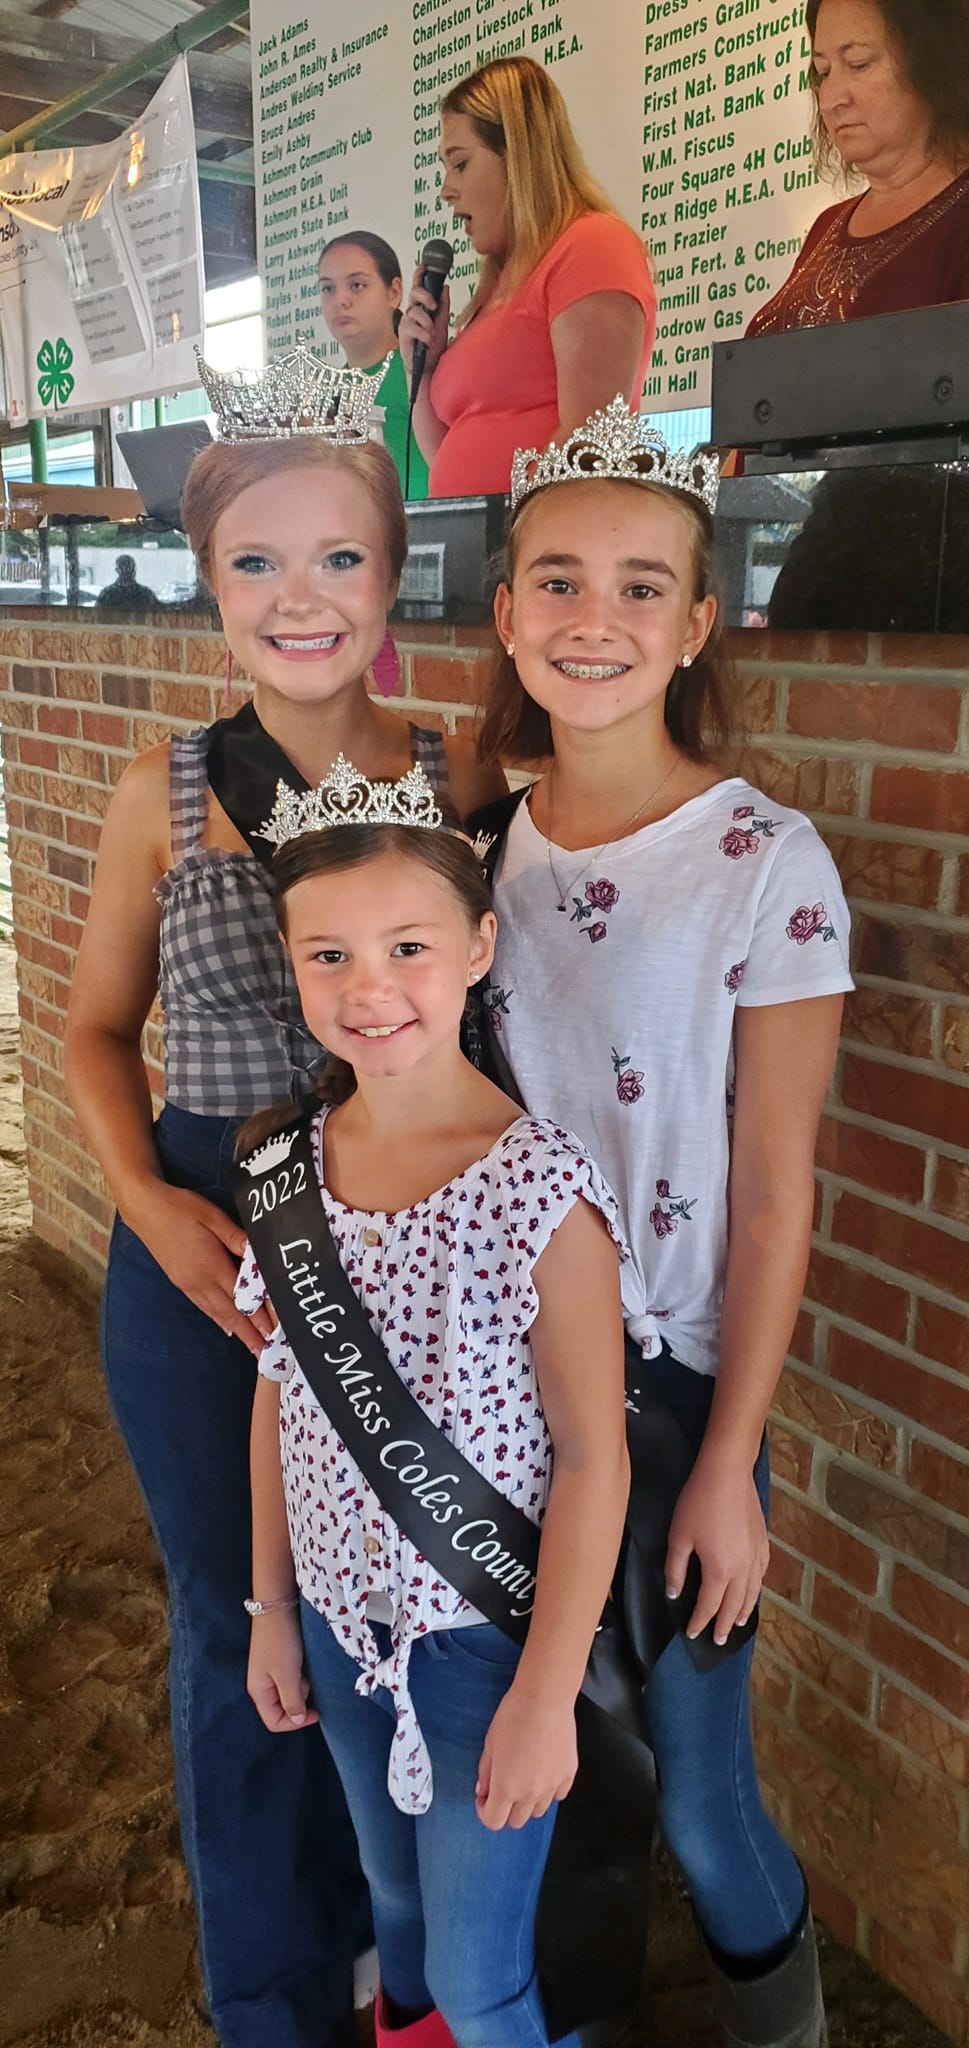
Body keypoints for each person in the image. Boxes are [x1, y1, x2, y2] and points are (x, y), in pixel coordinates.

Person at [63, 351, 505, 2048]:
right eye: (255, 561)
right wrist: (146, 1201)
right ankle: (268, 1992)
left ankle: (411, 1956)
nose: (296, 597)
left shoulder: (464, 779)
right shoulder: (159, 791)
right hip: (200, 1231)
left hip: (396, 1234)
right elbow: (97, 1028)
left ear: (394, 578)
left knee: (394, 1602)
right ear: (208, 581)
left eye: (337, 558)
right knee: (229, 1617)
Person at [466, 400, 854, 2048]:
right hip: (484, 1387)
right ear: (502, 614)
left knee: (693, 1792)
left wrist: (726, 1461)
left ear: (697, 623)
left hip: (667, 1389)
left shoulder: (765, 861)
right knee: (522, 1767)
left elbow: (771, 1186)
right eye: (555, 580)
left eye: (640, 587)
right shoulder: (462, 849)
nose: (593, 619)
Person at [235, 768, 630, 2048]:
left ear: (476, 945)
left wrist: (545, 1692)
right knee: (395, 1923)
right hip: (343, 1630)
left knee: (476, 1975)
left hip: (482, 1644)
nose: (371, 986)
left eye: (408, 946)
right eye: (330, 953)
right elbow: (281, 1398)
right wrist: (272, 1608)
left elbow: (592, 1461)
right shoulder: (289, 1170)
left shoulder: (537, 1188)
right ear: (291, 963)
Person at [397, 57, 656, 498]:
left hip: (540, 548)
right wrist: (421, 368)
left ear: (516, 155)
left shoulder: (592, 245)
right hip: (482, 546)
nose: (446, 189)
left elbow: (587, 442)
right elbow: (443, 456)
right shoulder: (497, 287)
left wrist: (515, 545)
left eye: (460, 164)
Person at [748, 0, 969, 334]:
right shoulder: (828, 226)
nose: (831, 98)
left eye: (858, 63)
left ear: (931, 60)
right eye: (823, 72)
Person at [319, 230, 429, 500]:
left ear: (394, 292)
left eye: (357, 285)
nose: (340, 300)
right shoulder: (323, 394)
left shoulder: (421, 371)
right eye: (328, 288)